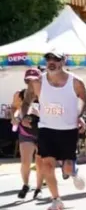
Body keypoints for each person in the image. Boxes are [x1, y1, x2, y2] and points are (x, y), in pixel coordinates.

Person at [36, 51, 86, 210]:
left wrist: (81, 117)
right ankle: (56, 200)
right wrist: (21, 115)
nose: (51, 62)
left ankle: (72, 170)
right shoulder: (38, 81)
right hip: (46, 128)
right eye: (49, 59)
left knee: (66, 167)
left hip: (68, 129)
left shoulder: (76, 82)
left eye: (56, 59)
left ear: (63, 62)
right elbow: (26, 101)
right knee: (47, 164)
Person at [12, 68, 43, 199]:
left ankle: (39, 188)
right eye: (28, 80)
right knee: (25, 162)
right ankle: (26, 184)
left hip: (42, 131)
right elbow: (14, 107)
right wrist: (14, 117)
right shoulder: (20, 94)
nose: (31, 82)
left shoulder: (46, 93)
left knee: (40, 161)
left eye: (34, 79)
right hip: (26, 131)